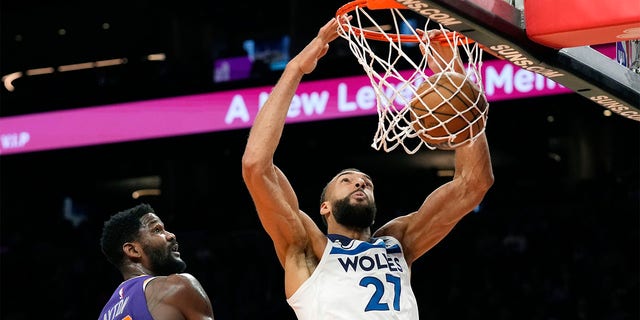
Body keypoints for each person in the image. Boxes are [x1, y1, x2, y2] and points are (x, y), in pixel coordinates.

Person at [241, 16, 494, 319]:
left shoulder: (398, 241)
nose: (360, 184)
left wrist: (453, 83)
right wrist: (296, 69)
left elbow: (473, 183)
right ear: (324, 207)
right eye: (347, 181)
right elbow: (256, 165)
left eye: (366, 182)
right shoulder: (309, 248)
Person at [98, 203, 215, 320]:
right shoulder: (176, 286)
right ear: (133, 250)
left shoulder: (104, 314)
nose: (171, 235)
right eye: (157, 230)